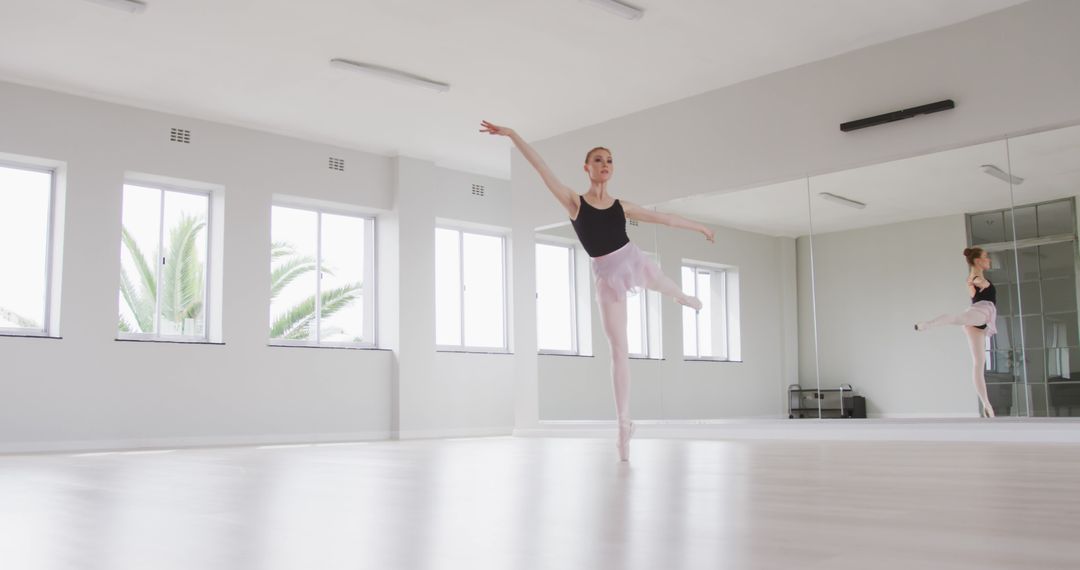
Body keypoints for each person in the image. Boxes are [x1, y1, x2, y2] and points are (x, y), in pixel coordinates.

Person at [480, 120, 716, 460]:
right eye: (599, 160)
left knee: (665, 285)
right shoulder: (574, 202)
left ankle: (682, 296)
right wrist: (514, 135)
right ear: (587, 168)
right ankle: (623, 425)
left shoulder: (623, 206)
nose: (605, 165)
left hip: (632, 261)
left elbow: (663, 218)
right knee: (619, 349)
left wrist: (701, 227)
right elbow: (541, 168)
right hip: (607, 277)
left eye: (609, 160)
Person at [915, 247, 997, 418]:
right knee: (957, 318)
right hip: (979, 314)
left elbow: (975, 286)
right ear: (977, 261)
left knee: (978, 363)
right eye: (986, 257)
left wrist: (978, 282)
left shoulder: (976, 278)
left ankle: (986, 404)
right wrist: (978, 282)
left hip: (980, 321)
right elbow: (975, 282)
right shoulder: (974, 278)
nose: (988, 260)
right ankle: (927, 325)